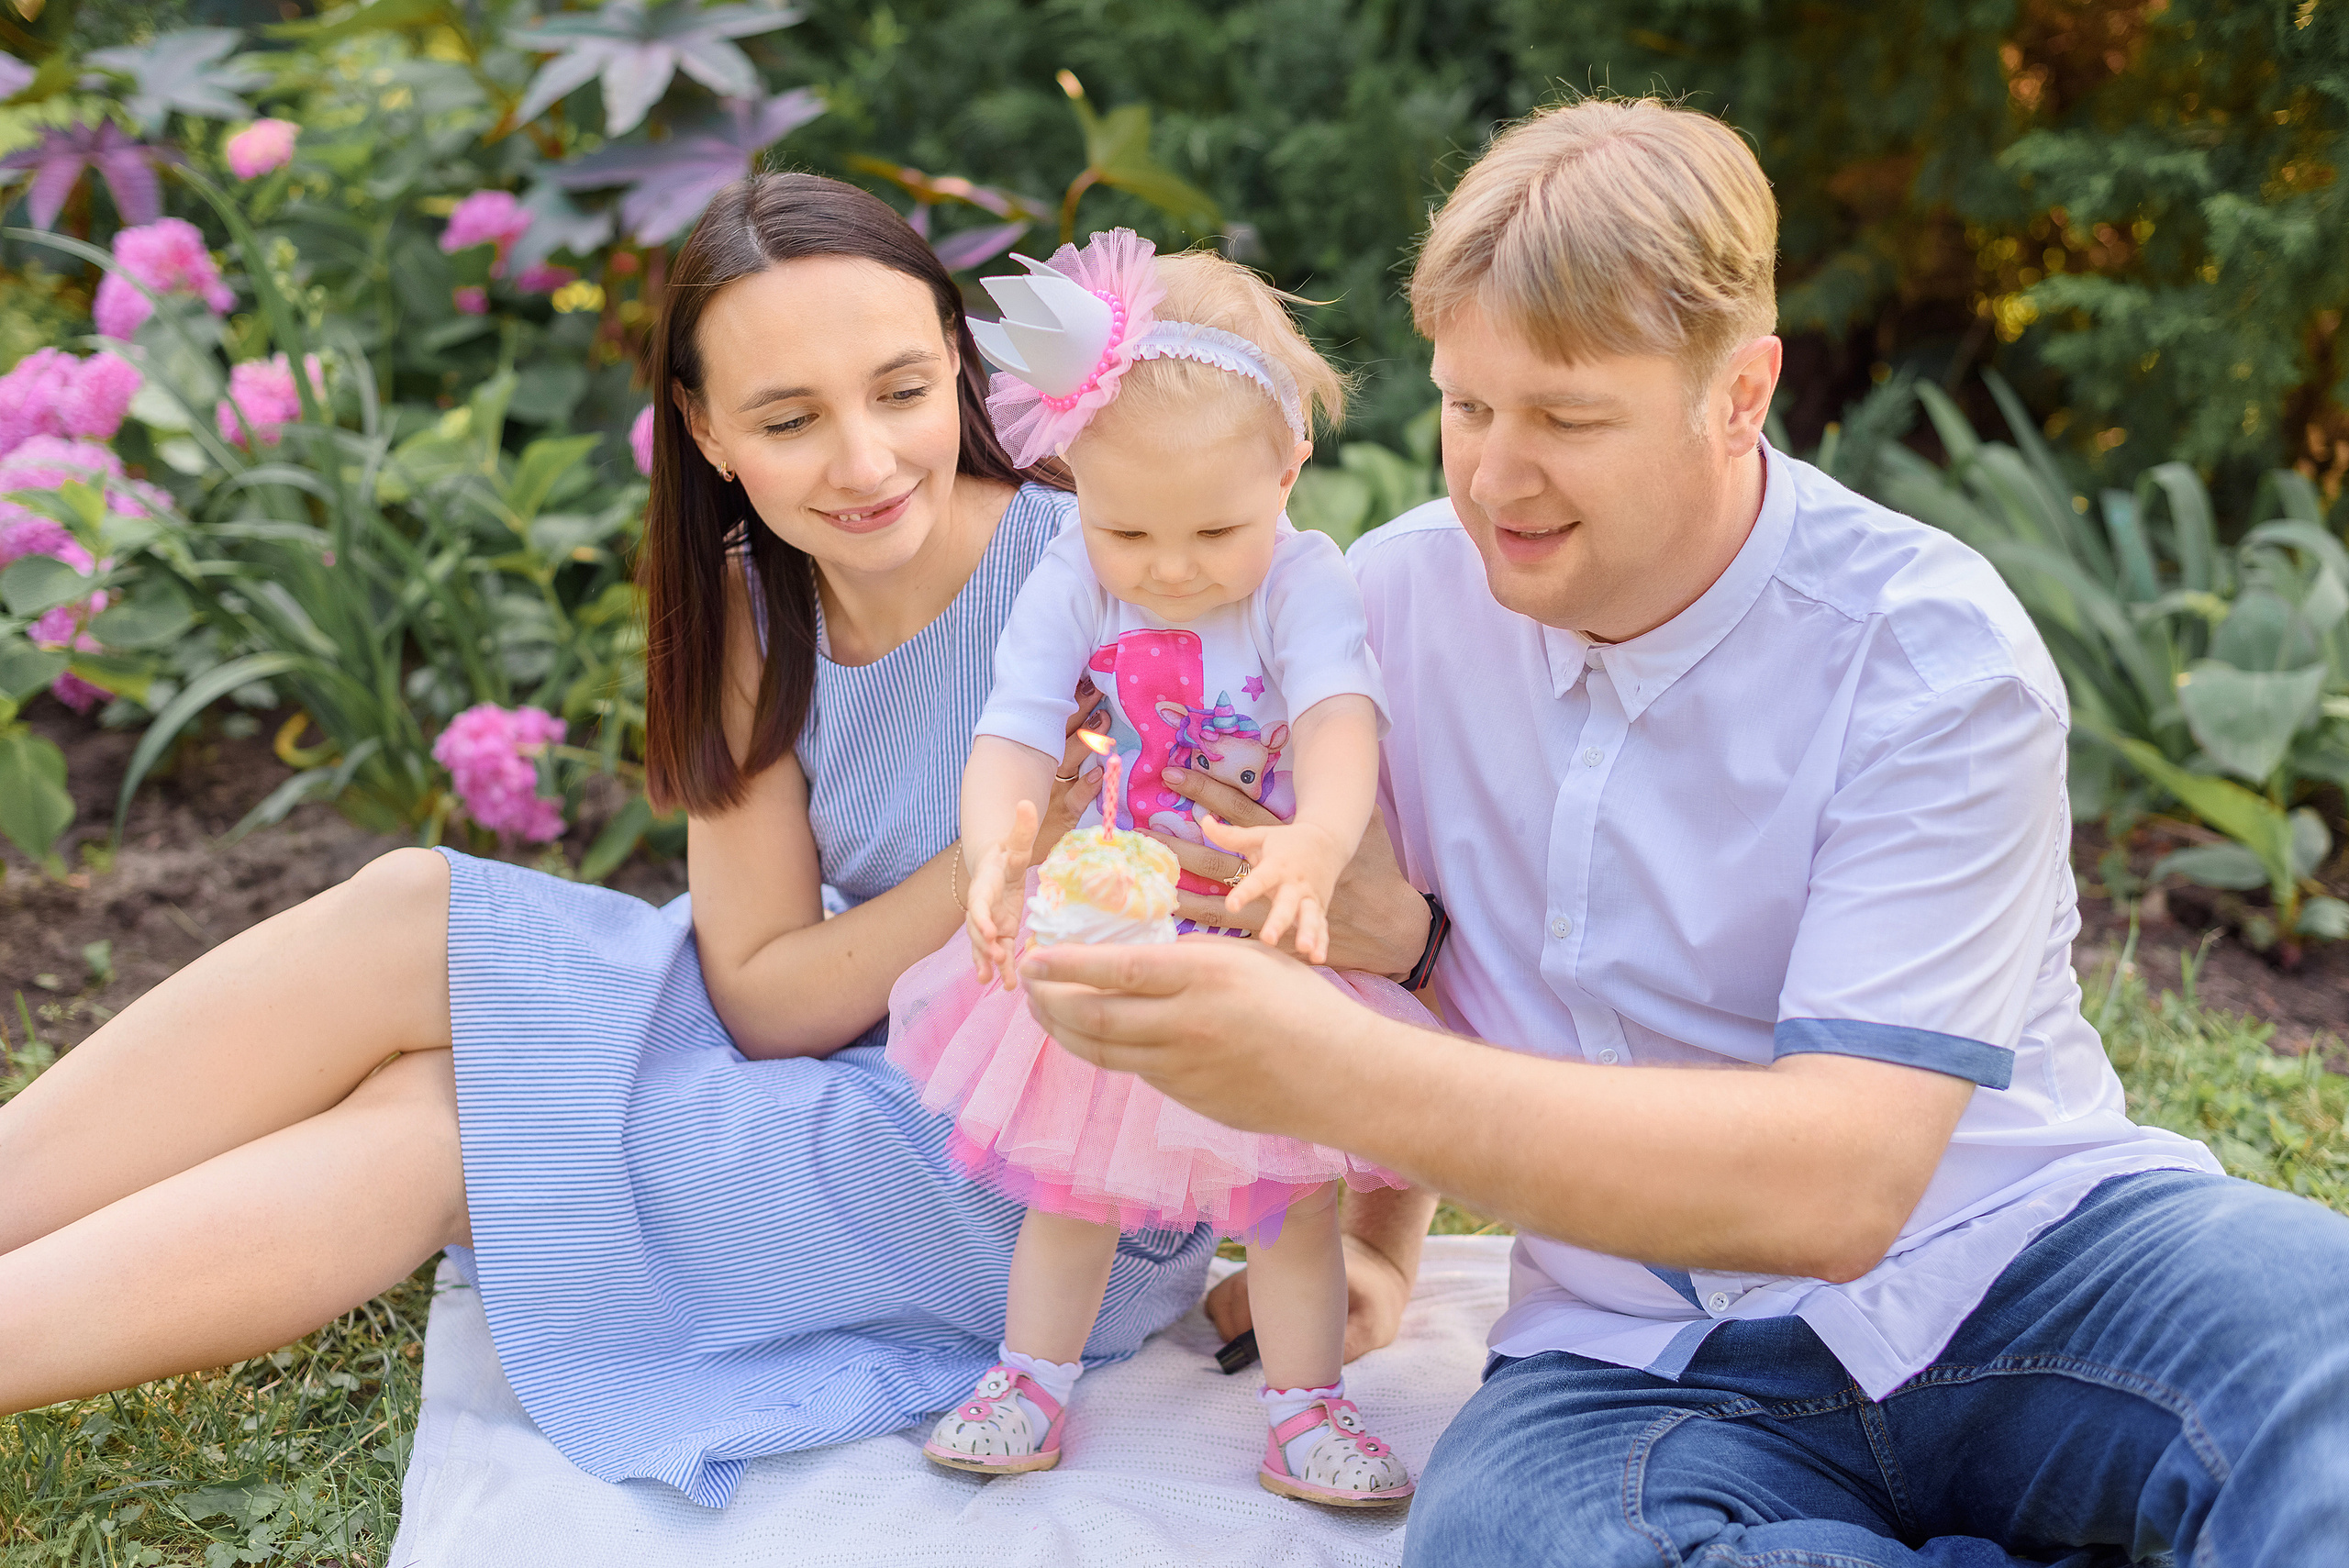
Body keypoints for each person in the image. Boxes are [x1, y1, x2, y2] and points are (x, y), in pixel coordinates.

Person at [1021, 96, 2349, 1564]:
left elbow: (1842, 1182)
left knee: (2326, 1345)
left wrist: (1340, 1070)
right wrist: (1380, 1237)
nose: (1492, 477)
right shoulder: (1371, 621)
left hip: (2025, 1261)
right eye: (1469, 405)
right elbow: (1369, 930)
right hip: (1630, 1353)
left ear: (1742, 392)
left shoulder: (1924, 648)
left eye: (1568, 418)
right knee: (1508, 1545)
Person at [0, 172, 1245, 1509]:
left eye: (900, 390)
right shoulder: (753, 604)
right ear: (706, 434)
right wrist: (999, 847)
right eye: (790, 418)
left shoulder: (1116, 581)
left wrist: (1380, 1251)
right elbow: (764, 993)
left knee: (452, 1127)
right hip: (842, 1037)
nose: (867, 461)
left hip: (1036, 1177)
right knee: (414, 905)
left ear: (958, 359)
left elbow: (1340, 901)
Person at [885, 231, 1427, 1506]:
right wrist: (998, 847)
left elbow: (1344, 718)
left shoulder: (1302, 577)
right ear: (1076, 481)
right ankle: (1031, 1376)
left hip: (1262, 928)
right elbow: (1015, 726)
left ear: (1290, 469)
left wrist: (1317, 838)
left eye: (1213, 529)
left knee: (1289, 1197)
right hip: (1114, 927)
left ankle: (1307, 1408)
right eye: (1128, 525)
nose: (1172, 567)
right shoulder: (1076, 566)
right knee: (1073, 1181)